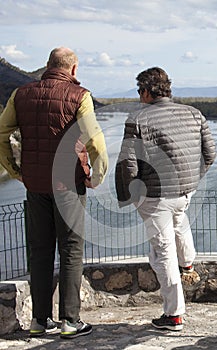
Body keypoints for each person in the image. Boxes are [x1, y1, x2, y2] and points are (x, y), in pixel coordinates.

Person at [0, 47, 108, 338]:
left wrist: (15, 171)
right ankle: (70, 321)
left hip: (35, 185)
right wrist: (96, 175)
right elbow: (95, 141)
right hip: (68, 187)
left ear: (47, 65)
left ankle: (39, 320)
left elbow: (1, 132)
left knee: (39, 250)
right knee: (71, 250)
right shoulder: (79, 95)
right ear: (73, 69)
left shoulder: (21, 95)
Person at [115, 67, 216, 331]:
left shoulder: (137, 119)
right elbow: (210, 153)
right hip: (185, 191)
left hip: (155, 195)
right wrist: (193, 179)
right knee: (179, 221)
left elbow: (129, 164)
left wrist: (134, 193)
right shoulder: (194, 114)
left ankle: (173, 315)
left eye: (139, 91)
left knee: (162, 253)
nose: (139, 97)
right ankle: (189, 264)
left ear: (147, 91)